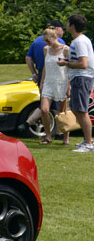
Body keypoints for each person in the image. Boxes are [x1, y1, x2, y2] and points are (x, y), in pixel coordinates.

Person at [58, 14, 94, 152]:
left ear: (72, 25)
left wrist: (66, 63)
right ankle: (87, 140)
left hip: (82, 77)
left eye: (67, 22)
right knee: (76, 109)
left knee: (81, 111)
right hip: (79, 78)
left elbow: (84, 64)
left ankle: (89, 144)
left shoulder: (80, 42)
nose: (65, 24)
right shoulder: (78, 41)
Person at [39, 26, 70, 145]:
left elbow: (69, 69)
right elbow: (45, 68)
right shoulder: (46, 49)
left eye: (48, 40)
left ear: (55, 37)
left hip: (62, 82)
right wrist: (42, 83)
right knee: (44, 109)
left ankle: (65, 137)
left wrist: (69, 86)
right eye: (45, 40)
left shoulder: (65, 49)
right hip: (48, 82)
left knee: (62, 112)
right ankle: (48, 136)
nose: (47, 43)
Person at [26, 19, 65, 86]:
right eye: (63, 30)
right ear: (57, 29)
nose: (63, 32)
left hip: (41, 74)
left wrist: (34, 74)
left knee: (44, 95)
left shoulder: (36, 41)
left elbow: (28, 58)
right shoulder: (60, 42)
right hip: (57, 74)